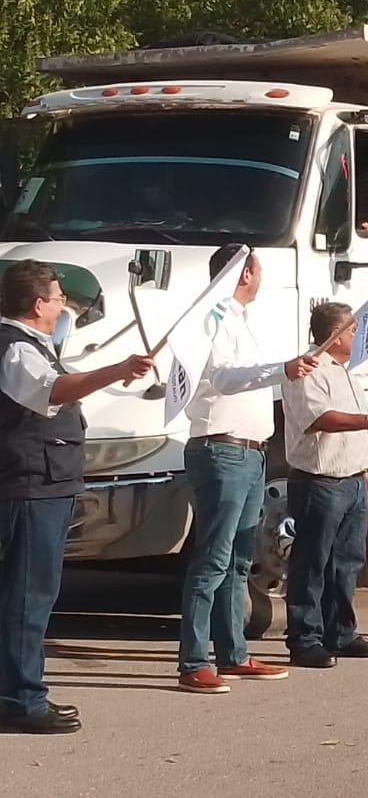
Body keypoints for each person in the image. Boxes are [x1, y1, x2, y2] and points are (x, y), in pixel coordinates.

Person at [0, 260, 154, 734]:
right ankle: (21, 700)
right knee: (28, 594)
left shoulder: (32, 347)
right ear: (37, 304)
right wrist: (115, 370)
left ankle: (19, 691)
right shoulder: (15, 349)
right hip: (31, 485)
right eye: (58, 296)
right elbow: (52, 389)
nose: (63, 303)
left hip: (44, 483)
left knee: (28, 593)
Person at [175, 244, 319, 695]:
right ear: (243, 274)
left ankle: (232, 654)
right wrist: (281, 369)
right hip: (222, 451)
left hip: (251, 453)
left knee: (238, 561)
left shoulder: (238, 319)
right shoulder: (213, 320)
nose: (261, 277)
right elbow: (224, 378)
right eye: (258, 269)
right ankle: (194, 661)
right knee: (213, 559)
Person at [279, 302, 368, 669]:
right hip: (320, 480)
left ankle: (341, 633)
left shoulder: (346, 372)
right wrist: (366, 421)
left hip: (352, 480)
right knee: (312, 562)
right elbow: (320, 419)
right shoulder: (308, 369)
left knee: (346, 563)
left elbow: (357, 432)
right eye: (352, 331)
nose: (356, 336)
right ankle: (304, 638)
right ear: (334, 334)